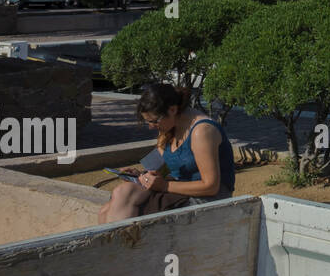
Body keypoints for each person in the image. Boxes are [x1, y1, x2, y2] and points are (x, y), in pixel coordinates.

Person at [98, 83, 236, 223]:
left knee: (125, 200)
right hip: (178, 189)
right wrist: (141, 175)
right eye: (148, 122)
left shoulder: (202, 131)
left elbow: (211, 187)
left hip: (207, 199)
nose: (151, 127)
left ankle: (120, 243)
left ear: (172, 110)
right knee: (116, 198)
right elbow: (162, 166)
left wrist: (164, 186)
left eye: (154, 121)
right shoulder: (168, 126)